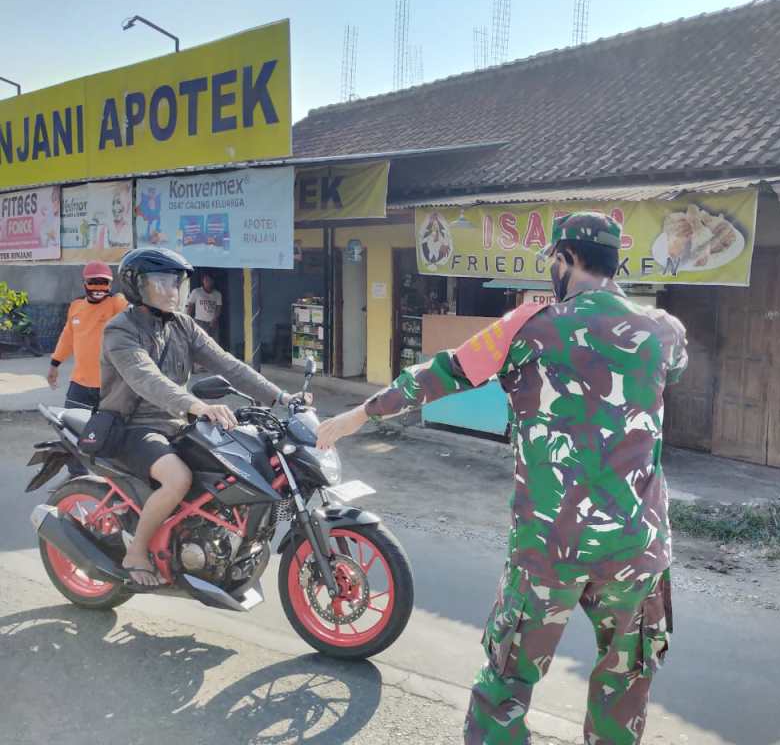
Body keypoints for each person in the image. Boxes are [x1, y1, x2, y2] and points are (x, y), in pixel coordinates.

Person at [317, 212, 688, 745]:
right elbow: (672, 371)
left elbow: (442, 374)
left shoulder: (528, 327)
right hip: (637, 547)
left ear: (566, 258)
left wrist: (360, 414)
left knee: (508, 677)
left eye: (553, 261)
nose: (551, 271)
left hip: (550, 547)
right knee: (627, 679)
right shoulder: (665, 330)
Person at [101, 248, 308, 588]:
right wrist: (197, 406)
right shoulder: (120, 330)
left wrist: (282, 397)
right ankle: (136, 552)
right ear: (137, 286)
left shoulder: (182, 324)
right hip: (134, 426)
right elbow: (146, 378)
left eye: (176, 283)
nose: (172, 291)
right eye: (161, 283)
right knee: (178, 479)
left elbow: (228, 364)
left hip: (178, 424)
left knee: (233, 464)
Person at [47, 261, 129, 476]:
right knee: (71, 431)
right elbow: (67, 337)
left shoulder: (117, 303)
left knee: (110, 433)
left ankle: (113, 478)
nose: (98, 287)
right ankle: (78, 477)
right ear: (84, 283)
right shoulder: (76, 306)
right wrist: (55, 363)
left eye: (104, 282)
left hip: (110, 387)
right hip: (80, 385)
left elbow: (135, 315)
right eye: (93, 282)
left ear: (110, 285)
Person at [186, 273, 223, 341]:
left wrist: (214, 320)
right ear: (203, 281)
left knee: (214, 341)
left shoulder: (217, 294)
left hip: (213, 322)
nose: (207, 282)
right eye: (205, 280)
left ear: (213, 281)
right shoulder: (196, 291)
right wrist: (187, 319)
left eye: (209, 280)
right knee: (199, 341)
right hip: (199, 321)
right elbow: (190, 306)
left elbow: (218, 308)